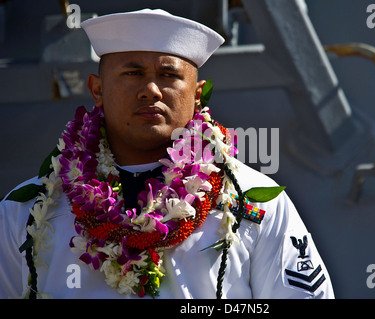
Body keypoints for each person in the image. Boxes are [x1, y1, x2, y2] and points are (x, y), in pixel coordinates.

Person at [0, 8, 334, 299]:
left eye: (169, 75)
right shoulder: (26, 211)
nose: (151, 90)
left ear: (198, 94)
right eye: (132, 73)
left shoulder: (255, 204)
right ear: (97, 89)